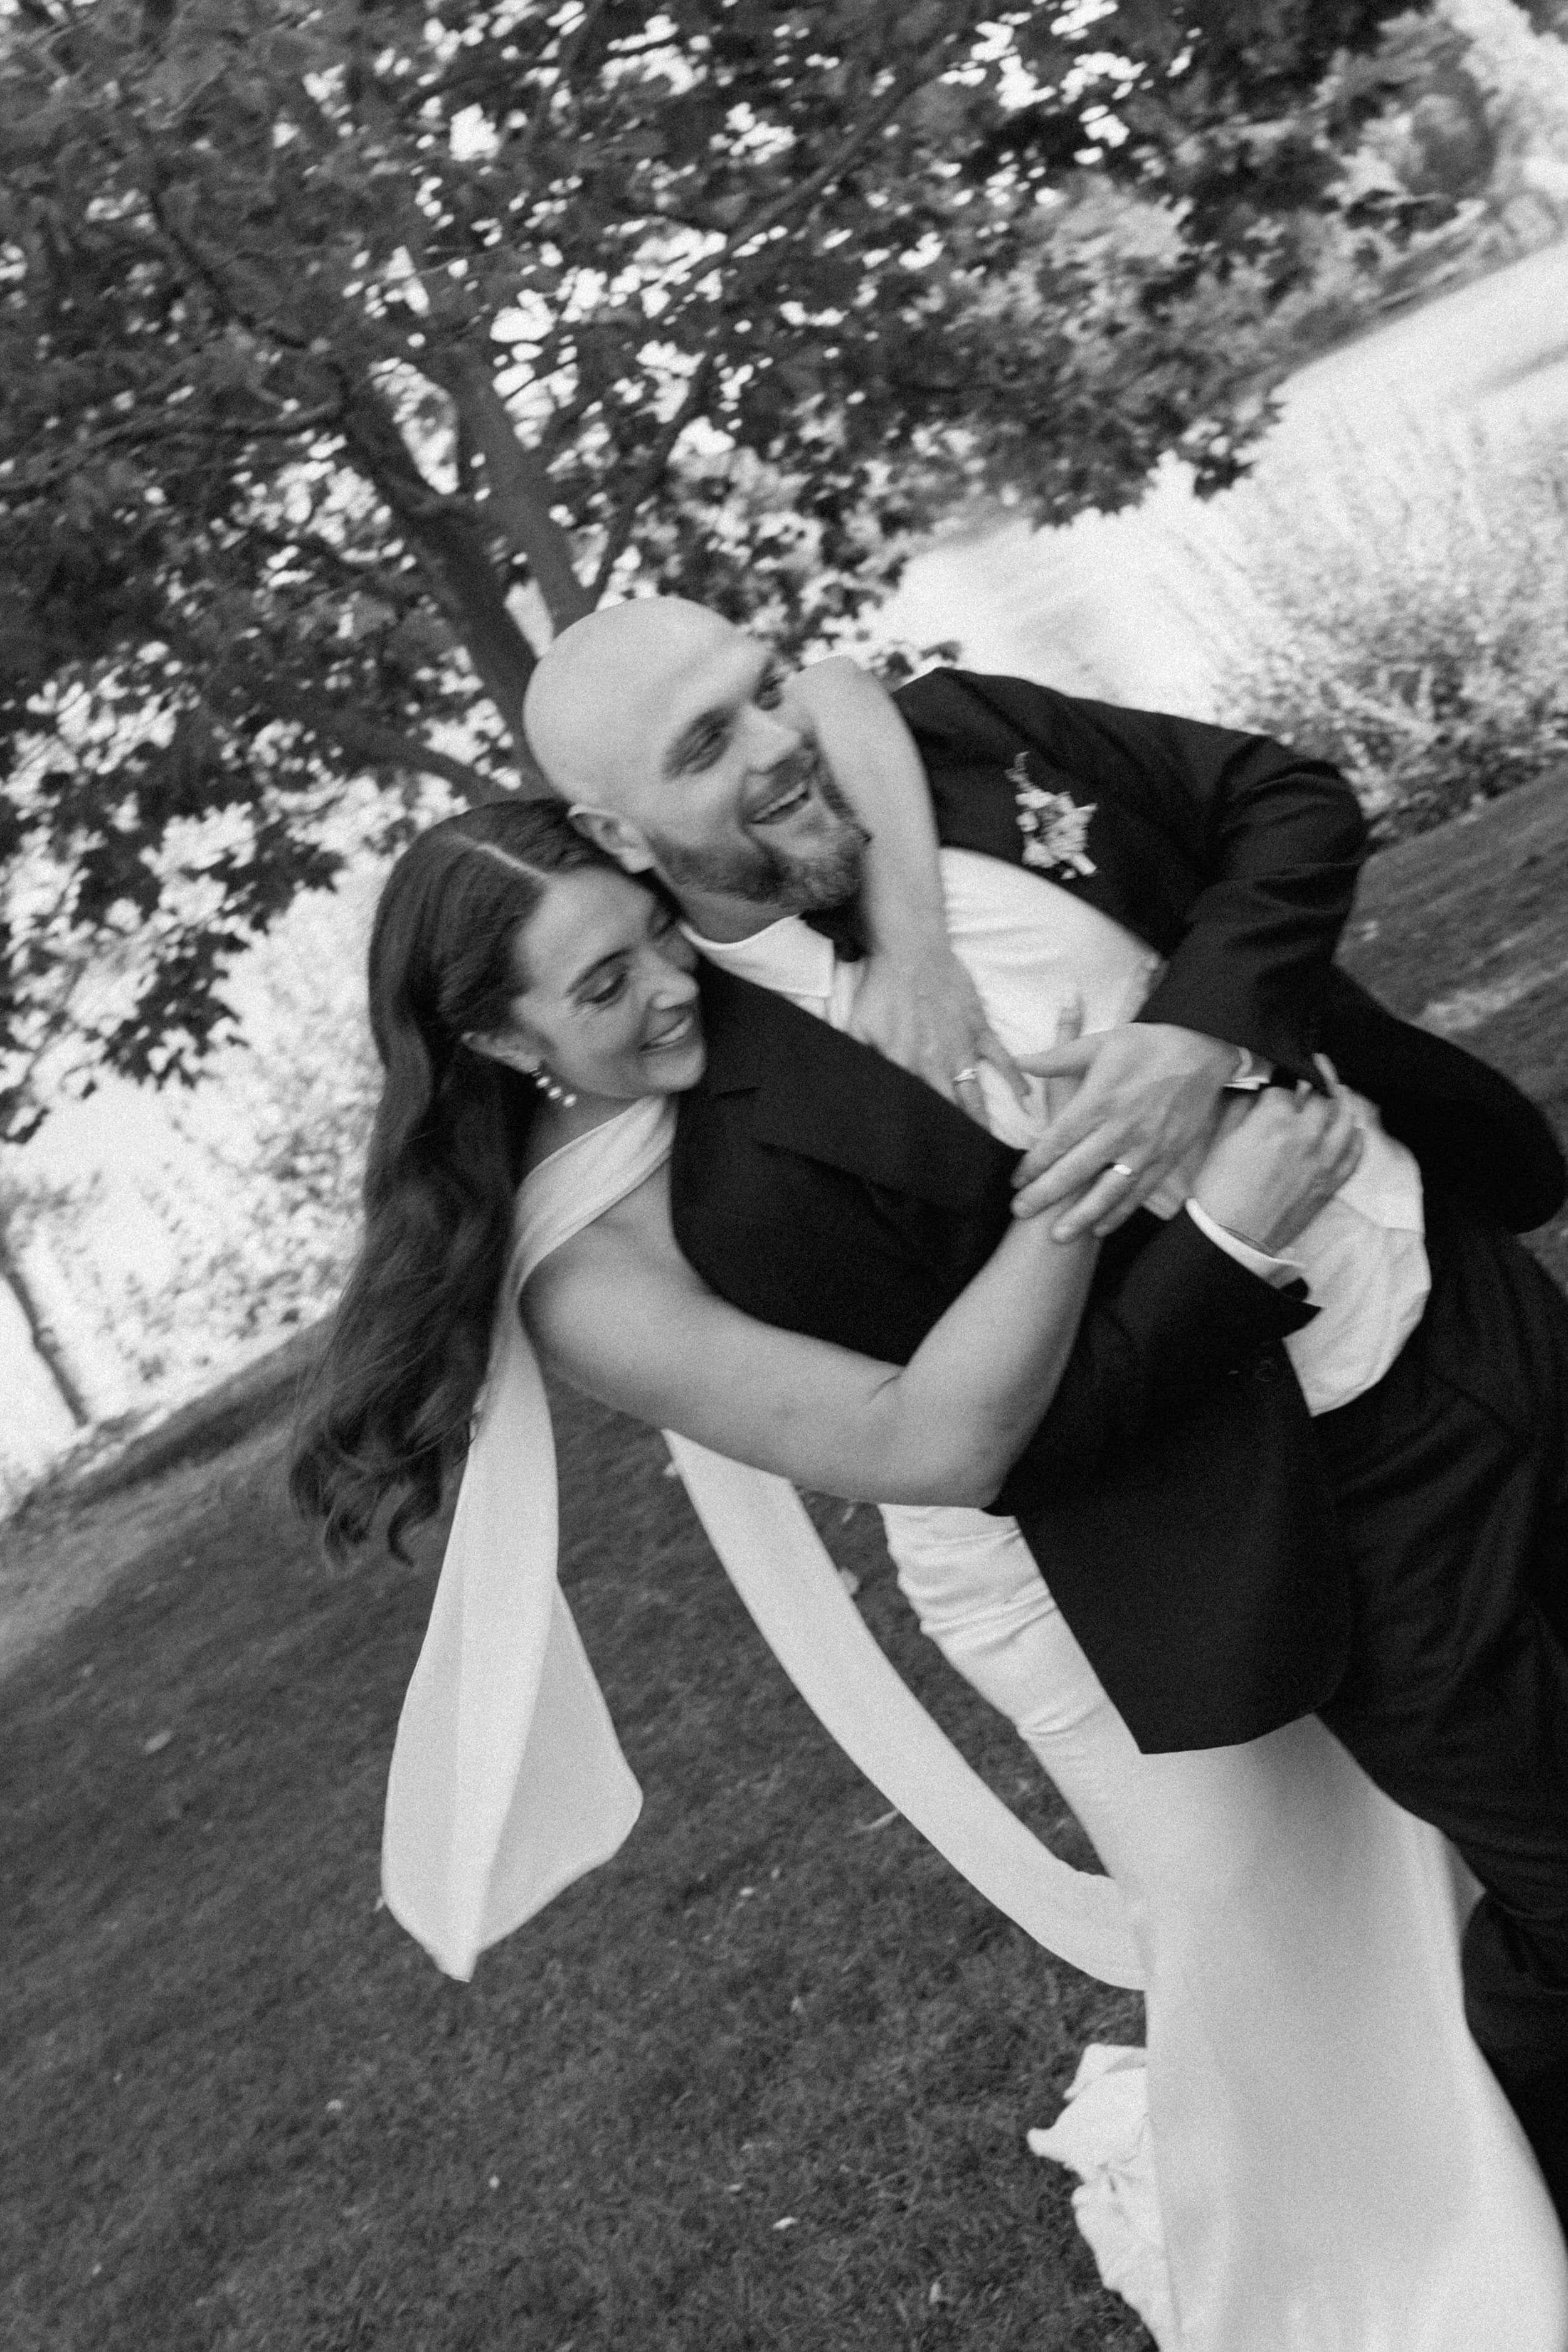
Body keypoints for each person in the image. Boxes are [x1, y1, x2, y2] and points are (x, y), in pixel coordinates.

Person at [292, 777, 1567, 2346]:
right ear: (501, 1041)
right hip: (1028, 1559)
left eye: (655, 936)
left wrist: (907, 931)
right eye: (604, 987)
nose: (672, 985)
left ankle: (1489, 2153)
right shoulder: (584, 1278)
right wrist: (1126, 1178)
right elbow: (925, 1442)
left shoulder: (742, 992)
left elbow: (834, 701)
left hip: (1186, 1441)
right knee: (1258, 1919)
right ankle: (1375, 2277)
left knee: (1400, 1841)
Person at [519, 595, 1568, 2230]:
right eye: (706, 745)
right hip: (1344, 1510)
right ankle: (1492, 2219)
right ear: (614, 832)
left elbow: (1283, 802)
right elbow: (1028, 1442)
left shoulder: (957, 736)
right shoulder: (746, 1158)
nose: (779, 744)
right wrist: (1221, 1234)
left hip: (1478, 1292)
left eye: (765, 688)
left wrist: (1192, 1028)